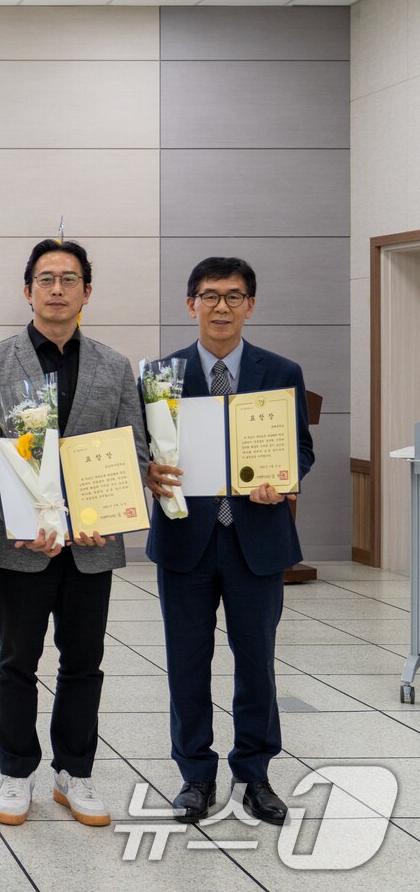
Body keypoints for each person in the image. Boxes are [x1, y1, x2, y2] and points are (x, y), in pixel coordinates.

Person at [0, 239, 148, 828]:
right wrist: (30, 519)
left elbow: (133, 448)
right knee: (18, 659)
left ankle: (76, 773)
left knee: (84, 660)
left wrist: (104, 513)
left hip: (92, 546)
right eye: (46, 279)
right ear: (28, 291)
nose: (58, 290)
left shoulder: (115, 367)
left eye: (70, 279)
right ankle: (17, 772)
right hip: (23, 546)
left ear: (87, 292)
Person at [145, 257, 313, 826]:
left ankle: (256, 774)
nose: (222, 307)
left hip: (257, 540)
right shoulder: (159, 375)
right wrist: (148, 470)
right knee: (186, 663)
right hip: (184, 541)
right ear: (190, 303)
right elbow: (147, 450)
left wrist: (283, 478)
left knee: (256, 662)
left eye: (234, 296)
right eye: (210, 296)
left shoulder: (281, 370)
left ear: (251, 305)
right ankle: (195, 775)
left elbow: (302, 448)